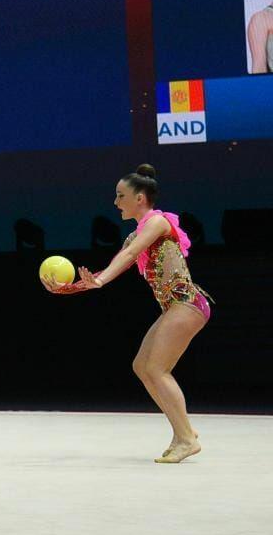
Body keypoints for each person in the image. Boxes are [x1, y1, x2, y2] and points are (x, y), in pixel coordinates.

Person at [44, 164, 211, 463]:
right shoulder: (135, 236)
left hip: (187, 303)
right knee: (143, 366)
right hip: (175, 307)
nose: (115, 202)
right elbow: (115, 265)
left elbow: (130, 256)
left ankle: (186, 438)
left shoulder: (158, 221)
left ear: (140, 198)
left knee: (157, 369)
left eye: (120, 196)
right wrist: (69, 288)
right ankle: (183, 430)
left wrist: (100, 281)